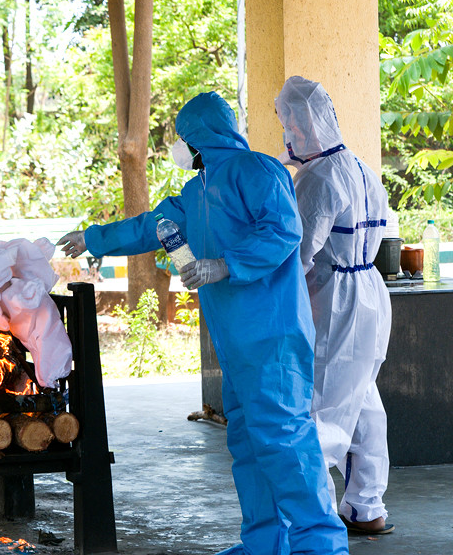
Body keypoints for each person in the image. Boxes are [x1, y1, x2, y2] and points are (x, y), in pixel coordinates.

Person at [58, 92, 349, 555]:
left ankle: (322, 545)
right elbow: (149, 226)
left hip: (273, 335)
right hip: (235, 342)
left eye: (182, 139)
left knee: (284, 439)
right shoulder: (195, 193)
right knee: (249, 444)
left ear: (202, 137)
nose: (179, 148)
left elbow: (283, 232)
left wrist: (223, 265)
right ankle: (264, 543)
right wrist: (93, 237)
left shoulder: (259, 170)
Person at [275, 76, 393, 535]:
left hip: (335, 299)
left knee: (321, 403)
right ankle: (367, 507)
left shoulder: (318, 178)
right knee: (364, 400)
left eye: (287, 122)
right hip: (369, 292)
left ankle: (313, 521)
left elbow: (300, 254)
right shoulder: (362, 168)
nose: (285, 132)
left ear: (302, 125)